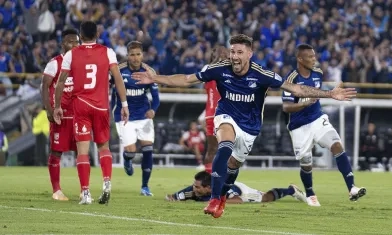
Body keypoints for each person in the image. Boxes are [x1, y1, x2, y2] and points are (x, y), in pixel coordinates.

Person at [132, 34, 356, 218]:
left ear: (249, 54)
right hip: (226, 116)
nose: (235, 56)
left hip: (250, 128)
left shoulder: (261, 74)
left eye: (239, 52)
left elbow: (296, 89)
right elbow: (186, 79)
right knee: (225, 144)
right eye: (232, 52)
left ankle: (220, 198)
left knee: (233, 166)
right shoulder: (219, 68)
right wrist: (156, 78)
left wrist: (329, 94)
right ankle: (213, 200)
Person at [53, 21, 129, 205]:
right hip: (101, 106)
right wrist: (124, 104)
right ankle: (107, 182)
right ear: (97, 33)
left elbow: (61, 82)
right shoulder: (107, 52)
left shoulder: (71, 54)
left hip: (81, 106)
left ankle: (85, 193)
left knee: (83, 150)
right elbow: (118, 79)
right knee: (104, 147)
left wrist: (57, 106)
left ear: (80, 35)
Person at [282, 44, 366, 207]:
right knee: (306, 164)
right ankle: (310, 193)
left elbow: (318, 94)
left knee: (336, 145)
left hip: (317, 119)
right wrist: (305, 103)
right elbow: (286, 107)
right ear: (300, 59)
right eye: (310, 57)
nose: (315, 59)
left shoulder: (318, 73)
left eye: (314, 56)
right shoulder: (291, 78)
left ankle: (352, 188)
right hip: (299, 126)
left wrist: (331, 92)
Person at [110, 40, 159, 196]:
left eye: (138, 54)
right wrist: (110, 110)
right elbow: (110, 91)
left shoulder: (149, 72)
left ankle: (145, 186)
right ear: (127, 56)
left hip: (143, 114)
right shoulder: (118, 70)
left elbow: (156, 97)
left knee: (148, 148)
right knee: (131, 151)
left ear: (142, 55)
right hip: (124, 115)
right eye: (132, 55)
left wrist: (153, 110)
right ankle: (127, 159)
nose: (136, 58)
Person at [41, 28, 79, 201]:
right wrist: (49, 110)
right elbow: (44, 87)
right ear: (63, 44)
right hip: (60, 115)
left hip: (79, 115)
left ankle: (83, 189)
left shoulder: (81, 64)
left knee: (82, 152)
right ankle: (56, 190)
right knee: (56, 152)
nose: (74, 45)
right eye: (70, 41)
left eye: (77, 42)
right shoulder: (55, 63)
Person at [165, 171, 307, 204]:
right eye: (194, 186)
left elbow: (238, 199)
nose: (193, 189)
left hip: (241, 192)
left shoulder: (221, 191)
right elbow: (174, 197)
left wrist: (217, 202)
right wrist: (172, 197)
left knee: (265, 198)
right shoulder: (194, 190)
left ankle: (291, 190)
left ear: (208, 188)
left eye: (197, 187)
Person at [202, 46, 229, 173]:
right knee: (212, 148)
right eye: (220, 54)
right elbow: (204, 81)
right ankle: (207, 180)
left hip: (228, 114)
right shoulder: (207, 68)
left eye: (224, 54)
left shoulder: (231, 70)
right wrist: (217, 60)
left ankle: (221, 179)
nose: (223, 56)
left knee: (226, 150)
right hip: (212, 114)